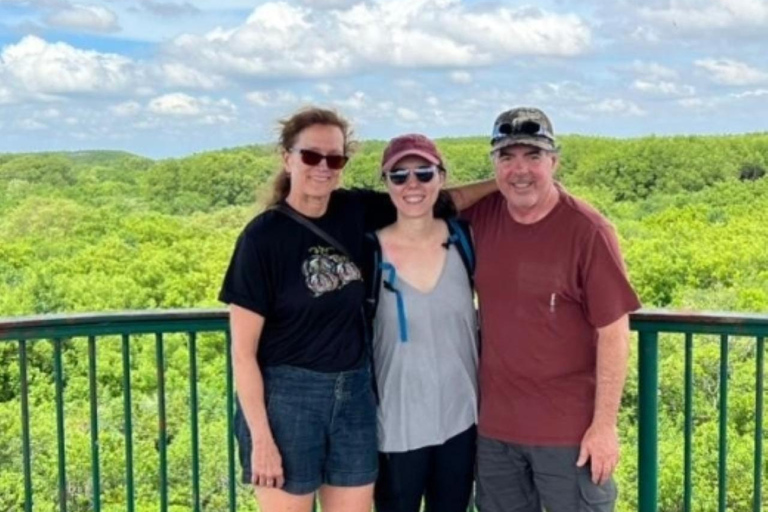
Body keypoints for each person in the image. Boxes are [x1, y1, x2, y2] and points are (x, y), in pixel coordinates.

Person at [218, 106, 496, 512]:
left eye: (335, 158)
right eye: (311, 156)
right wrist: (261, 437)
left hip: (354, 396)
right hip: (288, 398)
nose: (323, 167)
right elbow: (242, 352)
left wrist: (510, 180)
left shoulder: (354, 211)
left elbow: (435, 198)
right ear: (287, 158)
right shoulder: (262, 238)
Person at [461, 107, 641, 512]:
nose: (519, 169)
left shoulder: (588, 230)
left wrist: (605, 426)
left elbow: (614, 331)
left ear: (555, 161)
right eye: (506, 158)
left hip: (569, 435)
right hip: (495, 433)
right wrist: (499, 184)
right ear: (492, 166)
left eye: (533, 157)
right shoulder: (483, 215)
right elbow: (433, 199)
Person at [365, 134, 478, 512]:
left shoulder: (466, 241)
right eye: (399, 176)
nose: (412, 184)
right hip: (394, 427)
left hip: (461, 420)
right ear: (386, 184)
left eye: (424, 173)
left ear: (441, 178)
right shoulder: (368, 252)